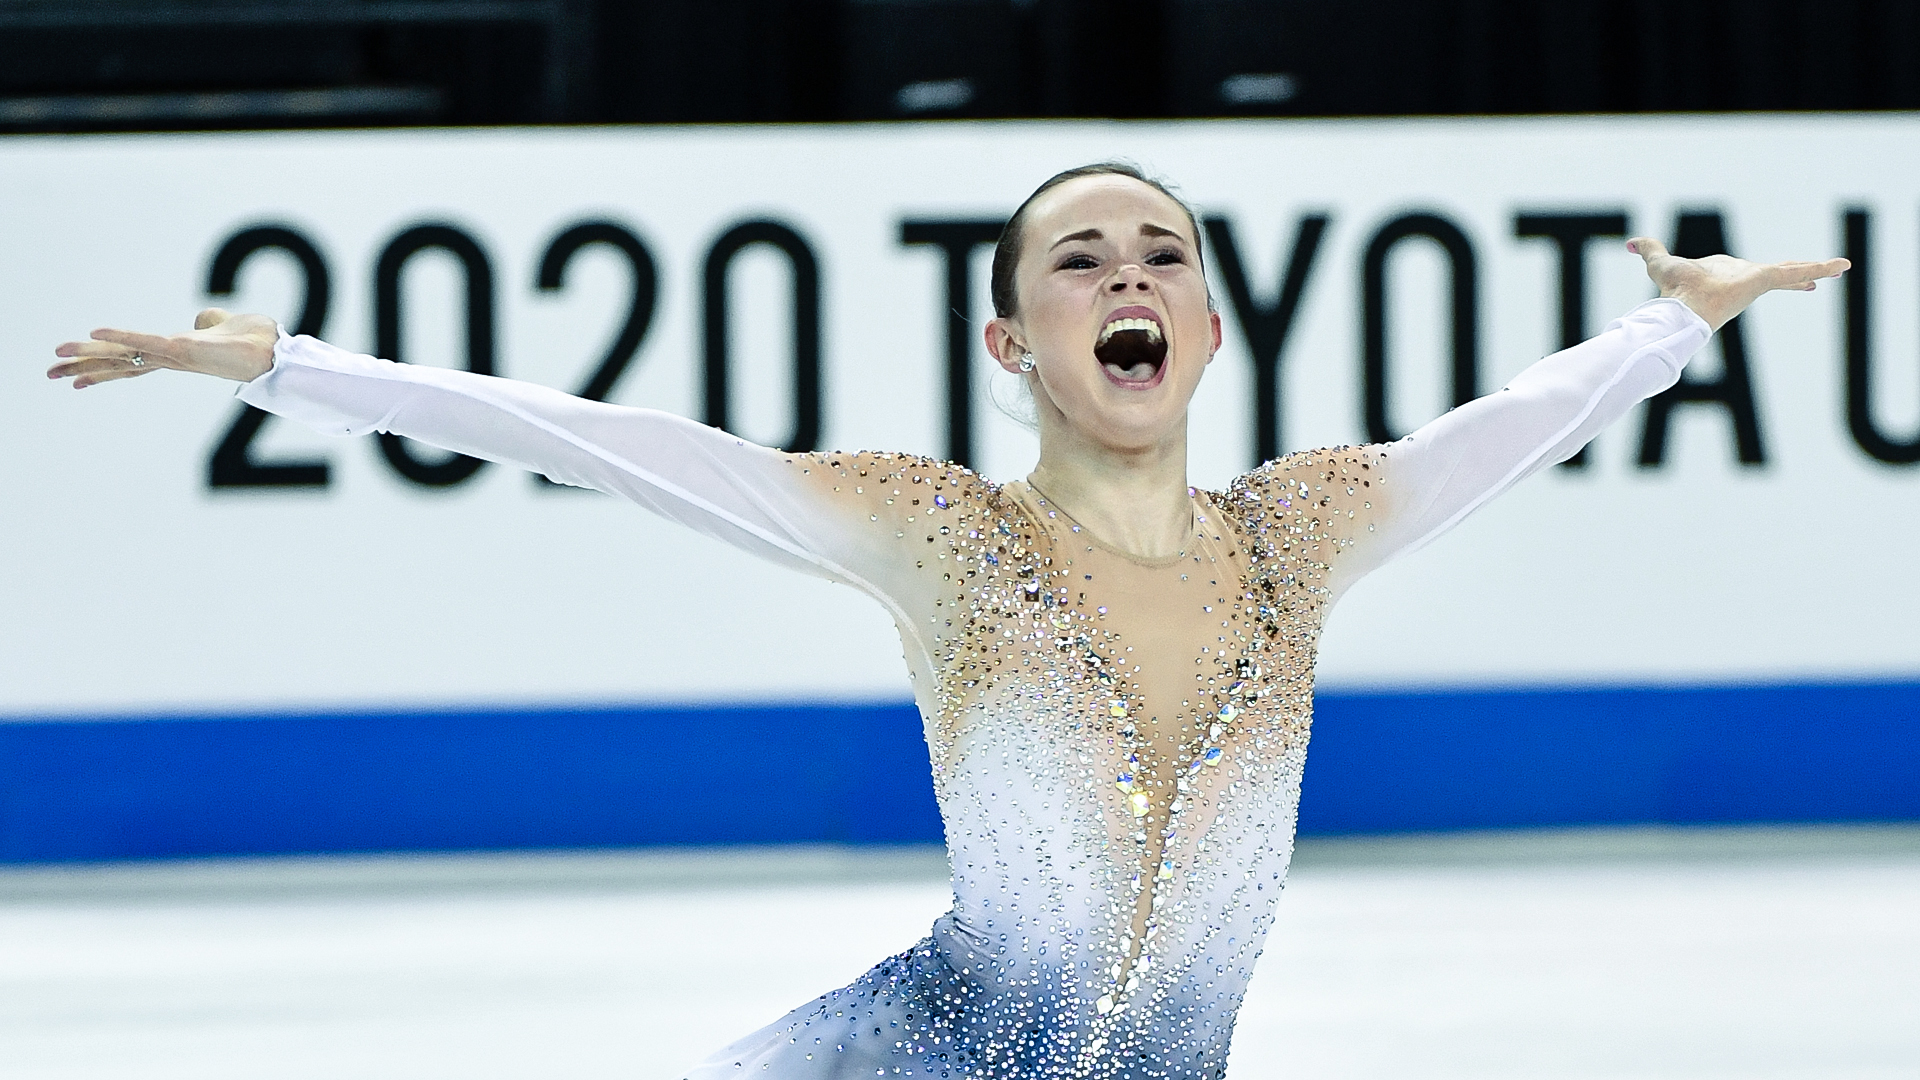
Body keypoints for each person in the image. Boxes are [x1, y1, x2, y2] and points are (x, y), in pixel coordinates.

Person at [49, 162, 1845, 1078]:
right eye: (1081, 262)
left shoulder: (1299, 538)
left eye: (1163, 257)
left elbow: (1504, 438)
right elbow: (604, 444)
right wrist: (284, 366)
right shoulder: (938, 533)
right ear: (1016, 347)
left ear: (1209, 333)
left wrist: (1674, 327)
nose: (1129, 277)